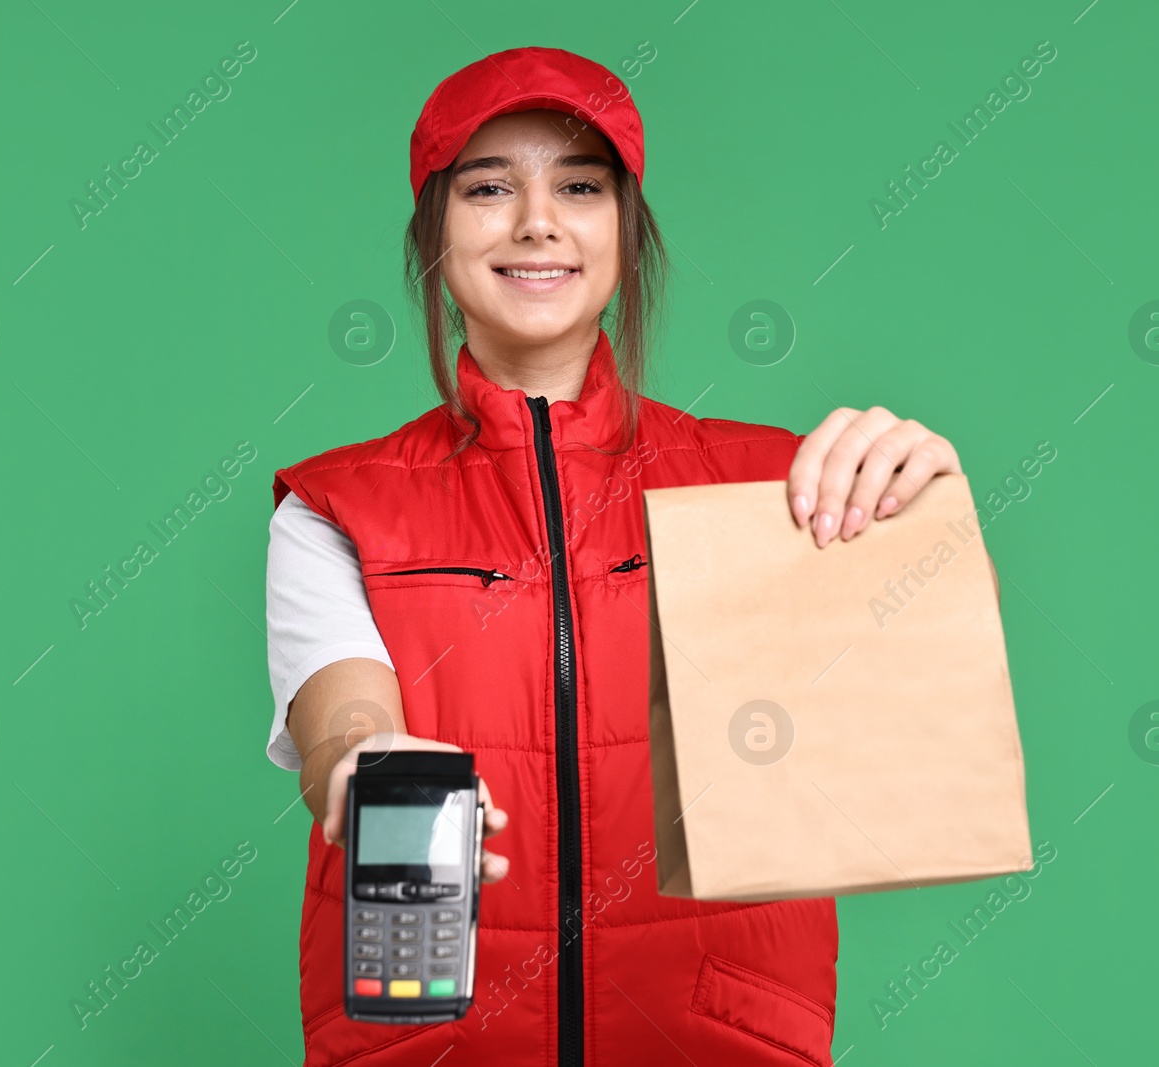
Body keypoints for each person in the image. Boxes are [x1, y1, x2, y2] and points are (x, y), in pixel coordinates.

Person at [265, 46, 976, 1067]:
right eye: (488, 188)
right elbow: (341, 710)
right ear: (436, 233)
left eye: (579, 186)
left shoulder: (773, 490)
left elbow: (914, 753)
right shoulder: (338, 505)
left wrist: (924, 520)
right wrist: (362, 762)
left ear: (624, 233)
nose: (536, 221)